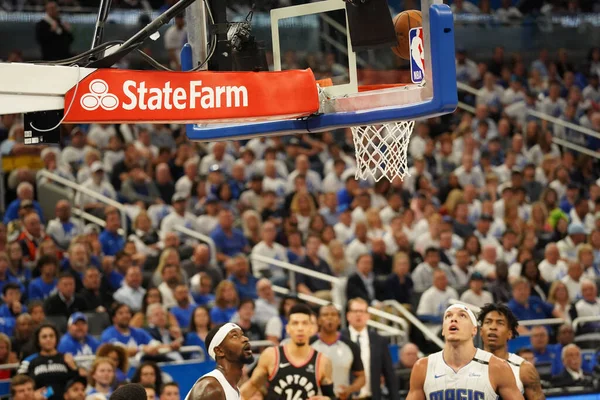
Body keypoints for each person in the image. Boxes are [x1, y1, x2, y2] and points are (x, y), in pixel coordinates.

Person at [406, 304, 523, 400]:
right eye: (448, 316)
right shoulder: (423, 367)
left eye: (462, 316)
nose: (454, 319)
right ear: (443, 330)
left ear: (474, 330)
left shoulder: (497, 367)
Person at [241, 303, 334, 400]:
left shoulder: (323, 361)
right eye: (295, 323)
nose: (300, 328)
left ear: (312, 328)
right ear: (288, 328)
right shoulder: (271, 355)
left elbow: (331, 396)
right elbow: (248, 390)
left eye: (304, 323)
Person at [478, 303, 545, 399]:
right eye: (488, 322)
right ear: (481, 331)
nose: (493, 327)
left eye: (500, 323)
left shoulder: (524, 369)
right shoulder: (467, 365)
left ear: (509, 333)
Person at [184, 323, 254, 400]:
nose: (245, 339)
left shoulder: (233, 389)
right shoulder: (210, 388)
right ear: (219, 351)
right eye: (235, 336)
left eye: (242, 335)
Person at [310, 304, 365, 399]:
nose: (330, 317)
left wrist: (350, 389)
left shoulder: (351, 346)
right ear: (318, 320)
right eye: (325, 314)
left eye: (333, 314)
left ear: (339, 320)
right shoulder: (308, 344)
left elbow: (362, 376)